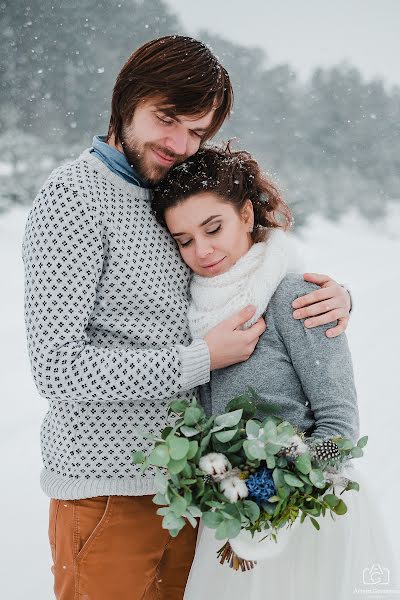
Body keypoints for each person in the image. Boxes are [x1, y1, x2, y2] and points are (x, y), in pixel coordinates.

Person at [22, 36, 352, 600]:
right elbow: (57, 368)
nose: (179, 143)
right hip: (107, 494)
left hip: (194, 496)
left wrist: (334, 297)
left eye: (197, 132)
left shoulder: (166, 190)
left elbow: (242, 263)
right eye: (167, 119)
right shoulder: (73, 199)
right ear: (126, 101)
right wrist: (202, 360)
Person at [151, 145, 397, 600]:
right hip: (230, 521)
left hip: (309, 519)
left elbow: (340, 429)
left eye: (213, 228)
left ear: (246, 214)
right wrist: (228, 496)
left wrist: (273, 498)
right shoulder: (190, 311)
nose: (202, 251)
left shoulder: (298, 298)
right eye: (184, 240)